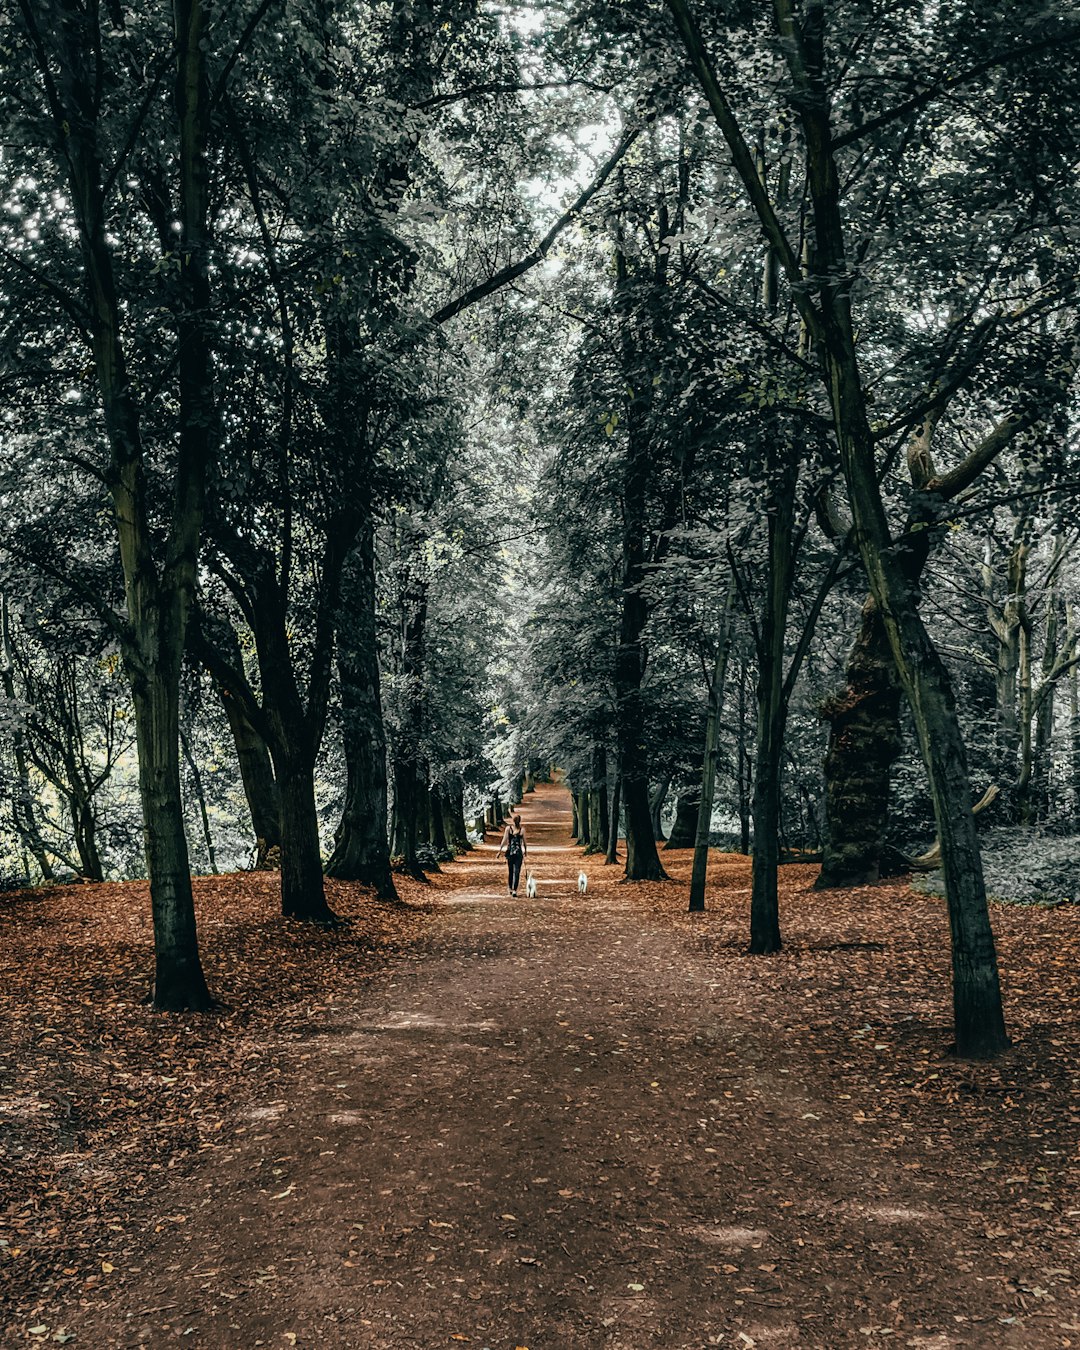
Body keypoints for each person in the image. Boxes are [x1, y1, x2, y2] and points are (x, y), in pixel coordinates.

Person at [497, 812, 527, 897]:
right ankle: (514, 890)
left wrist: (500, 850)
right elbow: (524, 842)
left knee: (510, 871)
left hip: (509, 852)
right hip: (518, 853)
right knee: (517, 872)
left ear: (513, 821)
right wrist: (526, 851)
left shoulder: (508, 829)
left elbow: (504, 840)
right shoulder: (522, 830)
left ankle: (510, 888)